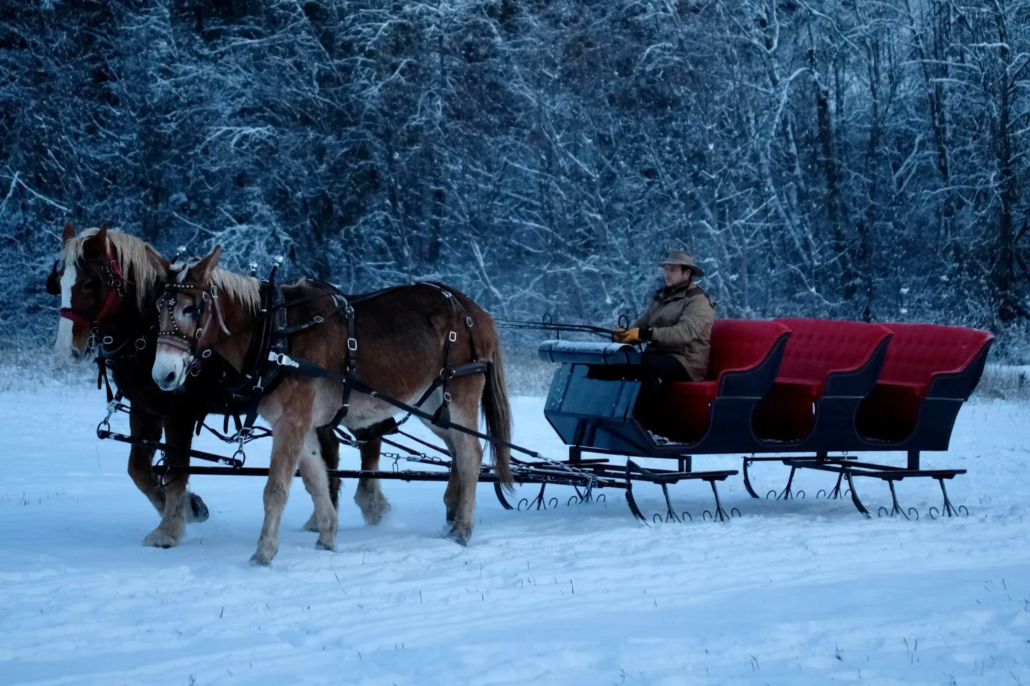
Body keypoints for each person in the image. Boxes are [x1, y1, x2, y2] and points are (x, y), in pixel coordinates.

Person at [612, 250, 715, 382]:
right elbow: (643, 323)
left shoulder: (698, 300)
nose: (667, 274)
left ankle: (645, 403)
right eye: (666, 269)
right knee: (614, 363)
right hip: (657, 355)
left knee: (643, 365)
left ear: (687, 274)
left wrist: (648, 334)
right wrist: (625, 335)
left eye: (673, 270)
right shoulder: (660, 297)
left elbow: (685, 332)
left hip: (686, 361)